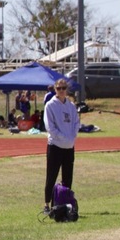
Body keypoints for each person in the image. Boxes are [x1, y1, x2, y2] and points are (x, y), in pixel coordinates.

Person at [43, 78, 80, 213]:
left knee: (68, 177)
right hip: (55, 146)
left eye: (64, 88)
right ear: (55, 90)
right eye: (59, 88)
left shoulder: (70, 106)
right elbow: (50, 127)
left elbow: (76, 122)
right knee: (51, 176)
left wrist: (72, 136)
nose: (62, 91)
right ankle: (47, 204)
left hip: (69, 147)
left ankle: (64, 203)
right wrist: (63, 137)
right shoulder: (50, 106)